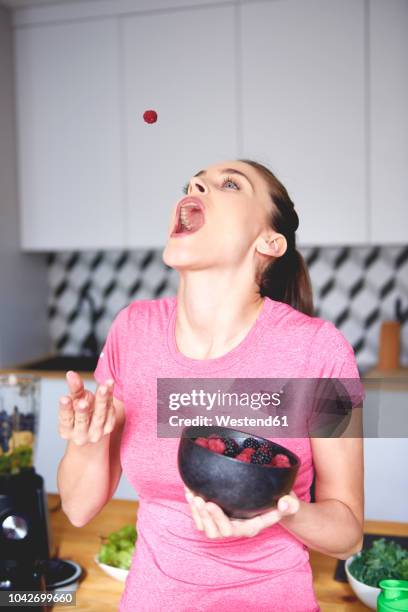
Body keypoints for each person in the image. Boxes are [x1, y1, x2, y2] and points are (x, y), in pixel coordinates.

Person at [57, 159, 365, 612]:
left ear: (269, 241)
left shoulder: (321, 350)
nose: (199, 184)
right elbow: (79, 509)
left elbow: (348, 533)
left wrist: (285, 509)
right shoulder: (133, 331)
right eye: (194, 182)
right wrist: (86, 442)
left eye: (230, 184)